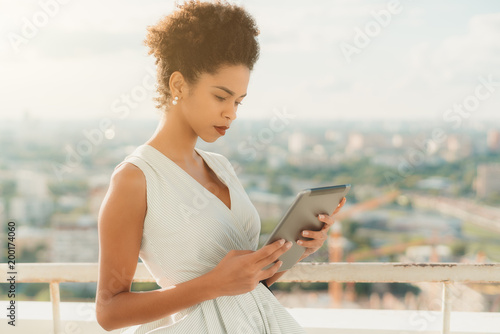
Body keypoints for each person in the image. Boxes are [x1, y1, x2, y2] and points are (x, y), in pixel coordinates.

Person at [95, 1, 346, 333]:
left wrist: (294, 250)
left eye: (238, 101)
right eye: (221, 97)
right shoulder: (135, 178)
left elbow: (245, 286)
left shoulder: (221, 166)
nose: (232, 114)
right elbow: (109, 312)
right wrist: (213, 284)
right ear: (179, 85)